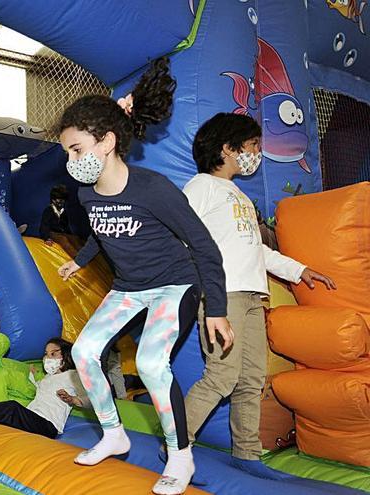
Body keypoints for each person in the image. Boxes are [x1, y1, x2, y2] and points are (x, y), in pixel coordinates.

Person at [56, 58, 232, 495]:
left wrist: (217, 310)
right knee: (84, 351)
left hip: (176, 283)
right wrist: (80, 260)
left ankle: (180, 456)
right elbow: (102, 231)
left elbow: (204, 245)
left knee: (153, 363)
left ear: (107, 142)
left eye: (77, 149)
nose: (71, 160)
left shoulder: (153, 188)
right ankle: (113, 434)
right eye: (67, 153)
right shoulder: (84, 194)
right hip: (129, 287)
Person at [181, 112, 336, 480]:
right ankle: (176, 445)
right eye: (252, 146)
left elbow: (256, 250)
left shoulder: (239, 196)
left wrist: (299, 270)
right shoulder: (202, 186)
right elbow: (183, 236)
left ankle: (247, 453)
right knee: (221, 376)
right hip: (224, 295)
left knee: (251, 379)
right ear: (228, 148)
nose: (257, 153)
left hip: (252, 295)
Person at [40, 184, 80, 257]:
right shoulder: (48, 210)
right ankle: (76, 257)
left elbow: (66, 226)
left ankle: (83, 254)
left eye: (63, 200)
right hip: (51, 233)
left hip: (61, 232)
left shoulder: (63, 212)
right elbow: (44, 226)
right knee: (63, 239)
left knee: (75, 238)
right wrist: (46, 238)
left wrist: (71, 235)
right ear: (53, 200)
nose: (61, 202)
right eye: (59, 199)